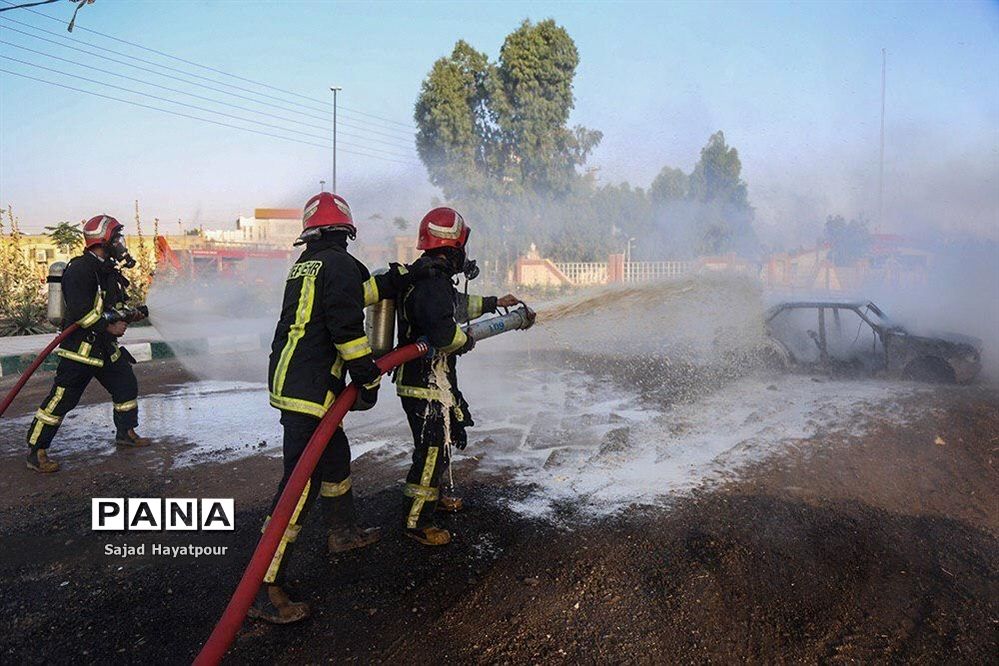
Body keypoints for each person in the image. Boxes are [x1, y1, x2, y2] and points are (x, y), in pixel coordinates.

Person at [251, 192, 410, 624]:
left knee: (335, 460)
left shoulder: (309, 264)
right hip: (309, 387)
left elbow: (354, 294)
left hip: (292, 378)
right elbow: (345, 325)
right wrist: (367, 375)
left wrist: (393, 281)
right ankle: (265, 585)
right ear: (346, 231)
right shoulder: (338, 265)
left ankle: (342, 532)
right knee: (298, 488)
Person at [394, 207, 519, 546]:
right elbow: (445, 334)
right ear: (454, 247)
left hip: (435, 381)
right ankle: (417, 521)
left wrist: (494, 302)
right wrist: (468, 340)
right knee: (432, 449)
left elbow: (458, 304)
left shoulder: (432, 279)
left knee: (444, 440)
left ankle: (431, 499)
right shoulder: (430, 282)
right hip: (424, 384)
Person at [25, 214, 150, 473]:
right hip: (80, 352)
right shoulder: (81, 268)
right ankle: (36, 451)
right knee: (61, 401)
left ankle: (125, 432)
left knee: (125, 384)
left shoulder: (106, 270)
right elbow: (82, 311)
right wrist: (110, 325)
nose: (121, 243)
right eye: (116, 238)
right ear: (103, 241)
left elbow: (111, 304)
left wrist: (129, 314)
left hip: (104, 349)